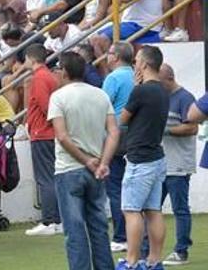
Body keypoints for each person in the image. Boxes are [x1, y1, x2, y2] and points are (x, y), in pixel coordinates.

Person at [48, 52, 118, 270]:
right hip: (96, 168)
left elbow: (62, 135)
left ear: (65, 72)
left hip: (70, 168)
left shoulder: (58, 97)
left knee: (75, 230)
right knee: (98, 226)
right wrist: (103, 162)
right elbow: (113, 132)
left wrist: (86, 160)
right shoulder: (100, 95)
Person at [117, 46, 169, 270]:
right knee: (153, 210)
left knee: (131, 210)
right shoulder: (163, 90)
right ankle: (154, 260)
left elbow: (123, 118)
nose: (134, 64)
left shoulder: (141, 91)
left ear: (145, 65)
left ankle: (131, 261)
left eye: (137, 60)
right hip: (156, 155)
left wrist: (136, 87)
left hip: (140, 158)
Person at [155, 64, 197, 266]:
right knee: (152, 208)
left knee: (180, 208)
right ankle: (148, 249)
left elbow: (192, 128)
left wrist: (166, 131)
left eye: (159, 81)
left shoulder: (185, 98)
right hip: (161, 163)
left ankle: (181, 251)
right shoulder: (161, 97)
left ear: (169, 79)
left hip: (179, 164)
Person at [22, 44, 62, 236]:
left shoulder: (39, 78)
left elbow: (46, 107)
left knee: (45, 178)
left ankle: (49, 220)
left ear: (31, 58)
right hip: (48, 132)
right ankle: (56, 219)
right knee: (51, 176)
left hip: (42, 133)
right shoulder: (50, 77)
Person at [102, 41, 136, 252]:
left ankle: (121, 235)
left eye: (109, 53)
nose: (106, 56)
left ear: (115, 56)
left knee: (115, 186)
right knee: (130, 185)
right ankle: (132, 234)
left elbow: (103, 105)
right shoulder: (135, 75)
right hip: (134, 133)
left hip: (116, 132)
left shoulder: (113, 78)